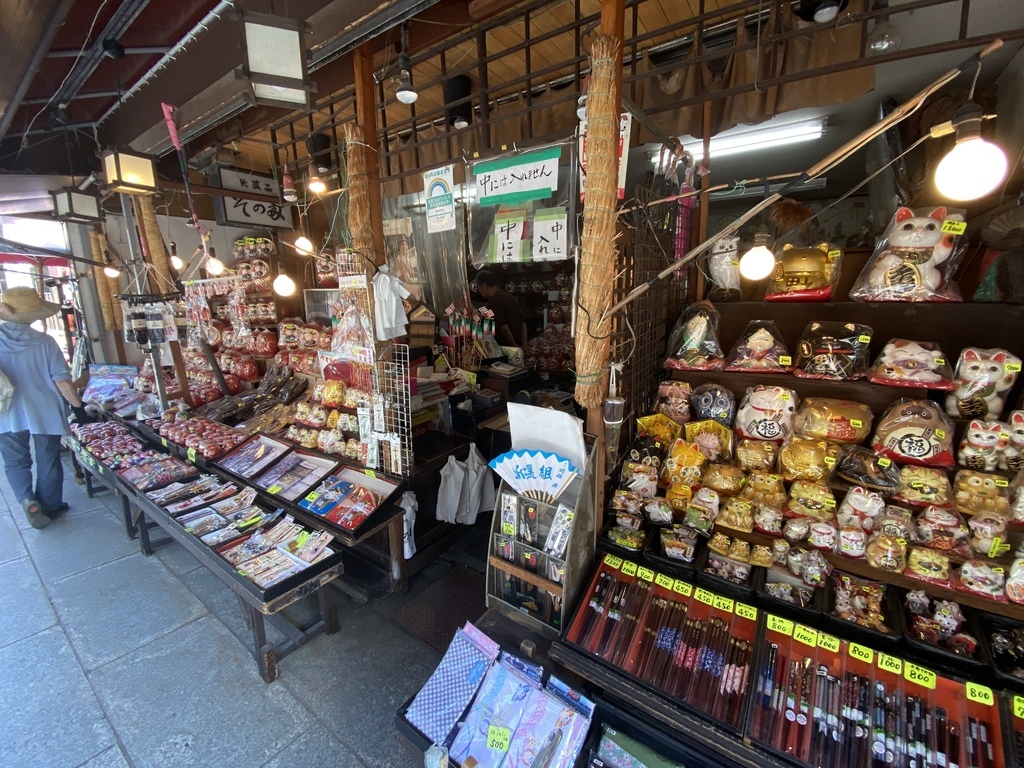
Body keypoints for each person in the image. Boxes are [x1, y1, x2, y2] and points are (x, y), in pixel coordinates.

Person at [0, 287, 86, 529]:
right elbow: (61, 379)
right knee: (48, 459)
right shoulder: (45, 342)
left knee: (15, 461)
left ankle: (28, 500)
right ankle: (50, 505)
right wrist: (78, 408)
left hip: (5, 411)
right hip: (43, 410)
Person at [475, 270, 524, 347]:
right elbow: (523, 323)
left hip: (507, 345)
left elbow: (503, 328)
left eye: (478, 288)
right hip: (518, 340)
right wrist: (524, 345)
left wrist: (514, 346)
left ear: (484, 286)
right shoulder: (508, 295)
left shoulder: (494, 300)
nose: (479, 292)